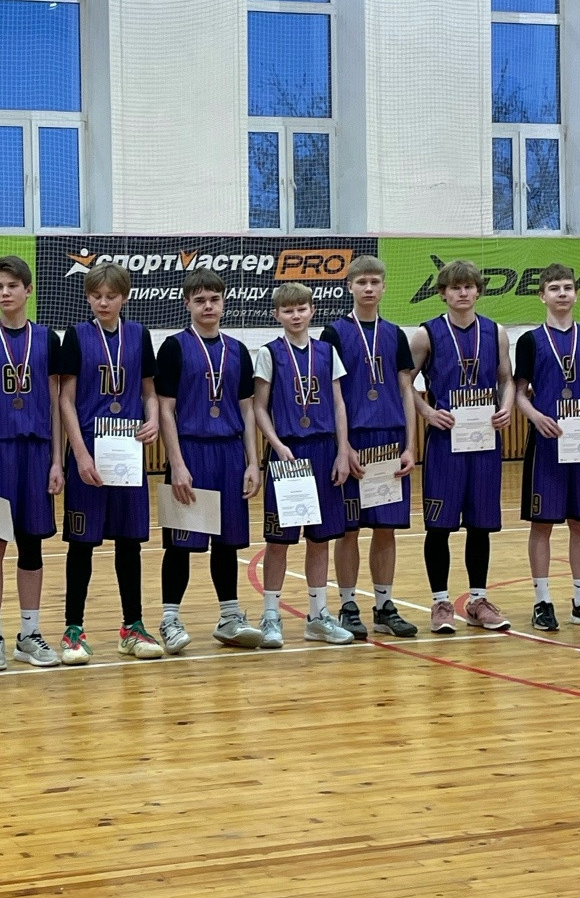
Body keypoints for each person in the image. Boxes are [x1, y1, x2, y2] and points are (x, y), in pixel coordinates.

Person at [0, 255, 64, 672]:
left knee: (32, 544)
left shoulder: (49, 339)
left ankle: (29, 634)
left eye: (12, 286)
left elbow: (56, 405)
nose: (4, 293)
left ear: (28, 290)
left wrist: (58, 461)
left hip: (37, 452)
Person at [58, 263, 162, 664]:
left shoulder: (139, 335)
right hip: (89, 449)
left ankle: (132, 626)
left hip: (128, 451)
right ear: (88, 297)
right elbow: (66, 400)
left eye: (111, 296)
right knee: (81, 544)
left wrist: (153, 418)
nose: (103, 302)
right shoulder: (77, 336)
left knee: (129, 542)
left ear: (125, 297)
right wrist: (80, 453)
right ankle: (73, 629)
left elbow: (149, 392)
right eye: (96, 295)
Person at [155, 268, 262, 653]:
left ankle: (230, 618)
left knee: (227, 543)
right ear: (187, 303)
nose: (208, 306)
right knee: (180, 544)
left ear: (223, 302)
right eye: (199, 300)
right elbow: (165, 410)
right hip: (191, 451)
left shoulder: (239, 350)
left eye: (214, 299)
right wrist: (177, 464)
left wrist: (253, 462)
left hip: (230, 453)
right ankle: (169, 618)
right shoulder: (174, 347)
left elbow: (247, 409)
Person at [410, 260, 514, 633]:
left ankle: (477, 600)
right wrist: (426, 411)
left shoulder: (496, 332)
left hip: (484, 440)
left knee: (480, 525)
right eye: (455, 287)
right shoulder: (426, 334)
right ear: (443, 293)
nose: (463, 292)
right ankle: (440, 602)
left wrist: (506, 406)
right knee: (439, 527)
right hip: (445, 441)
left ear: (478, 291)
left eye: (469, 286)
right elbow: (404, 381)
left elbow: (507, 379)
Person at [514, 263, 580, 631]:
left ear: (576, 294)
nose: (562, 293)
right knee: (542, 524)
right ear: (542, 295)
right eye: (554, 288)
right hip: (548, 442)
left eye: (568, 287)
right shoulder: (529, 340)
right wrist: (534, 416)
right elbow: (518, 392)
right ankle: (542, 601)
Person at [320, 256, 418, 639]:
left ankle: (384, 606)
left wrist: (410, 445)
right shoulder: (334, 333)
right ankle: (347, 605)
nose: (369, 288)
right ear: (349, 286)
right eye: (361, 282)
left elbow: (406, 390)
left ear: (384, 287)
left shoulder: (395, 334)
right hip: (354, 442)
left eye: (375, 282)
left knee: (386, 528)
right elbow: (331, 395)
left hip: (390, 441)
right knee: (349, 530)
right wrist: (342, 446)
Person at [252, 282, 353, 648]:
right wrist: (276, 444)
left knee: (320, 539)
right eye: (288, 310)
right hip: (288, 453)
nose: (295, 315)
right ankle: (270, 615)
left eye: (301, 308)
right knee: (279, 541)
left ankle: (318, 616)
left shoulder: (327, 352)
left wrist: (343, 450)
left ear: (312, 310)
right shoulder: (269, 353)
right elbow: (259, 407)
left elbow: (339, 404)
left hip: (324, 450)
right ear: (277, 314)